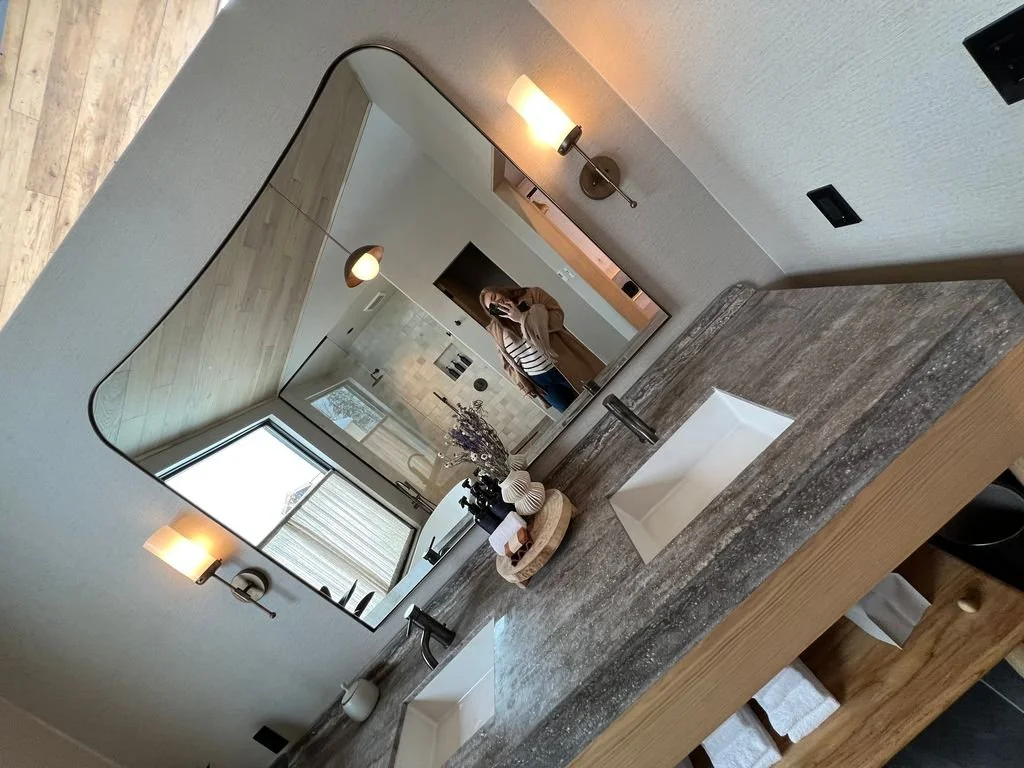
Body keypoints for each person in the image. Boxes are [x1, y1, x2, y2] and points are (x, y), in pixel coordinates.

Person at [479, 286, 603, 413]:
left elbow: (557, 319)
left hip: (563, 365)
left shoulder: (533, 295)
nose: (496, 303)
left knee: (596, 398)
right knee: (574, 415)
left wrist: (521, 318)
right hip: (542, 383)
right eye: (491, 306)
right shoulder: (496, 329)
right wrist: (525, 386)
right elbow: (507, 364)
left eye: (494, 297)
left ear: (501, 291)